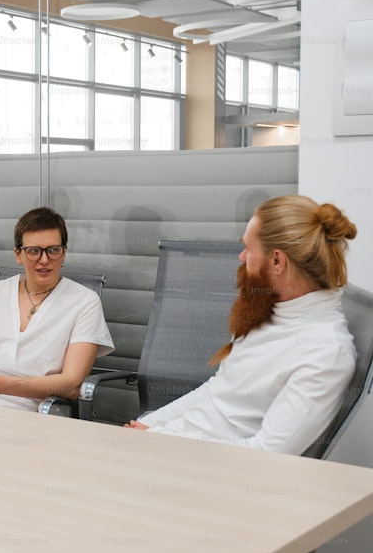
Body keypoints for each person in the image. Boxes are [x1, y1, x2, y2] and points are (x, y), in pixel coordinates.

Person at [125, 195, 358, 455]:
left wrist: (160, 438)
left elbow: (267, 453)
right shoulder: (266, 314)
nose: (241, 257)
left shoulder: (326, 352)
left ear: (277, 261)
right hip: (177, 446)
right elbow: (216, 391)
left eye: (248, 248)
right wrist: (149, 424)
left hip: (216, 471)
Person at [0, 207, 114, 411]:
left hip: (23, 412)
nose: (44, 260)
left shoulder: (84, 302)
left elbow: (71, 386)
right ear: (18, 254)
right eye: (34, 251)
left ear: (64, 253)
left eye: (53, 250)